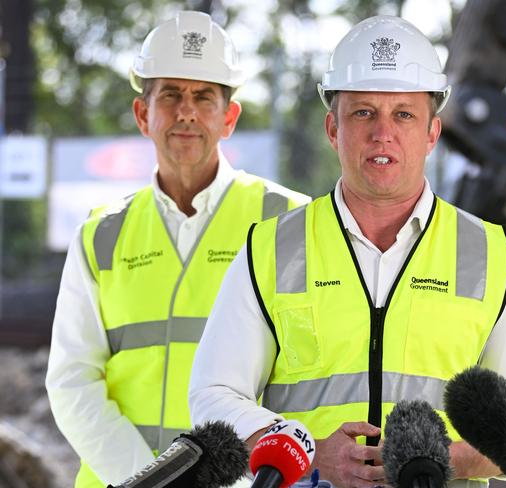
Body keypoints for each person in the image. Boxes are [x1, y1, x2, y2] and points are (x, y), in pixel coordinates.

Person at [189, 15, 506, 488]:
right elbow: (213, 395)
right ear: (332, 128)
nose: (383, 133)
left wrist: (445, 459)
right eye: (363, 112)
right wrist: (312, 450)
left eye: (403, 114)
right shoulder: (270, 250)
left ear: (431, 133)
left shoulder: (491, 255)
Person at [45, 11, 309, 488]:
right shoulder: (101, 233)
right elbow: (71, 380)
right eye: (170, 95)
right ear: (143, 114)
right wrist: (150, 479)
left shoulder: (289, 220)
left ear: (228, 118)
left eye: (204, 97)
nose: (186, 111)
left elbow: (311, 374)